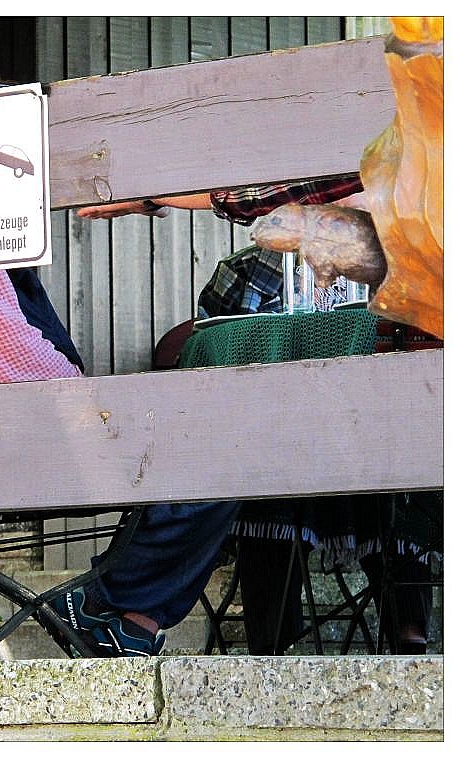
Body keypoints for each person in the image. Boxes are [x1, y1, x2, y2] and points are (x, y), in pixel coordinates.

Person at [67, 174, 437, 655]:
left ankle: (124, 608)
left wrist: (154, 194)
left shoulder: (406, 232)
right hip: (365, 423)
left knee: (235, 449)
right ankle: (146, 617)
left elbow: (281, 195)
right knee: (241, 450)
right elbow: (275, 202)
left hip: (401, 427)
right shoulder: (260, 261)